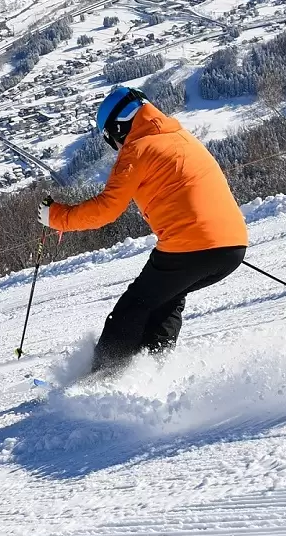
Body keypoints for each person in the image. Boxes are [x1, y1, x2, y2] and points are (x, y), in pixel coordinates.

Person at [40, 86, 249, 373]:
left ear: (118, 127)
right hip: (233, 247)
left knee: (134, 306)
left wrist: (56, 216)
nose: (115, 145)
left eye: (110, 138)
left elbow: (106, 209)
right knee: (166, 299)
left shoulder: (137, 149)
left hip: (192, 245)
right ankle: (150, 372)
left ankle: (101, 379)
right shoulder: (181, 136)